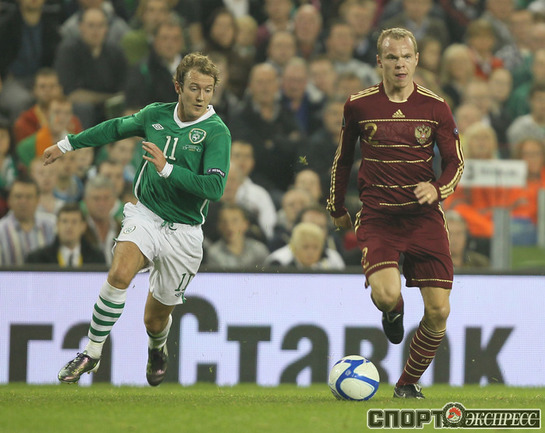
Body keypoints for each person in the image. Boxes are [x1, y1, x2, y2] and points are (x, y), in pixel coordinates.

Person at [43, 52, 231, 386]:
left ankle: (157, 348)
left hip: (185, 232)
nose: (201, 97)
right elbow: (115, 128)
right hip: (146, 214)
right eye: (194, 88)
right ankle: (91, 352)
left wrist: (168, 168)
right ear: (178, 86)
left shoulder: (217, 133)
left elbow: (214, 188)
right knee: (119, 273)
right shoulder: (155, 115)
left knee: (154, 321)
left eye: (207, 90)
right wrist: (68, 144)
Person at [327, 28, 464, 399]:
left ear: (416, 60)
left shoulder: (435, 107)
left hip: (424, 218)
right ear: (379, 62)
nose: (400, 64)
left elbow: (455, 162)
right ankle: (392, 312)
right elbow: (343, 159)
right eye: (392, 57)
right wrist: (336, 206)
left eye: (406, 57)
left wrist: (437, 189)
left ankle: (407, 384)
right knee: (387, 295)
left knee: (439, 312)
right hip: (379, 217)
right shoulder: (359, 105)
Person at [26, 203, 106, 266]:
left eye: (74, 222)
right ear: (57, 225)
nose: (69, 226)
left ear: (83, 226)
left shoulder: (97, 258)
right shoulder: (38, 259)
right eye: (64, 221)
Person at [0, 176, 56, 266]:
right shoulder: (1, 230)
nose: (23, 201)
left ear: (38, 200)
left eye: (29, 197)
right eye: (18, 196)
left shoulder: (52, 225)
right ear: (9, 200)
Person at [205, 203, 269, 270]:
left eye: (234, 221)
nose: (229, 226)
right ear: (219, 226)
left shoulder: (259, 250)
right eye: (224, 222)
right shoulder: (213, 253)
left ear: (245, 224)